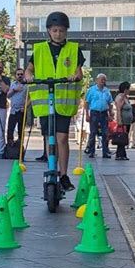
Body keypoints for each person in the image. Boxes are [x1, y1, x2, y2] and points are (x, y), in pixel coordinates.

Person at [25, 11, 84, 191]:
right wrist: (28, 76)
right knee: (49, 138)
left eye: (61, 30)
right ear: (49, 31)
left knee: (62, 137)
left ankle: (64, 174)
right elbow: (29, 69)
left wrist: (75, 75)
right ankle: (52, 169)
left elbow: (79, 71)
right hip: (46, 102)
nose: (58, 34)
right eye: (55, 30)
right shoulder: (40, 49)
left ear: (66, 31)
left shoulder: (73, 49)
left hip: (63, 103)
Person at [85, 73, 113, 158]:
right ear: (97, 80)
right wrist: (87, 114)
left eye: (104, 80)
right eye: (101, 79)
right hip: (94, 113)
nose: (103, 81)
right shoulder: (91, 90)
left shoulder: (107, 91)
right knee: (93, 133)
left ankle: (105, 152)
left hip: (104, 113)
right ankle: (91, 151)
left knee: (105, 133)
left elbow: (109, 103)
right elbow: (87, 103)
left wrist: (110, 114)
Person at [7, 68, 27, 143]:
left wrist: (25, 106)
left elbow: (30, 98)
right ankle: (10, 145)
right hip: (13, 110)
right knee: (10, 129)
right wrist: (14, 90)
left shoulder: (26, 85)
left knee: (21, 130)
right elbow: (8, 95)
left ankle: (19, 146)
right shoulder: (13, 84)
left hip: (22, 111)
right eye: (18, 74)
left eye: (21, 74)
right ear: (15, 76)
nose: (20, 76)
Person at [114, 81, 132, 160]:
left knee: (124, 137)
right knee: (121, 137)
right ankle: (119, 154)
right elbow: (118, 109)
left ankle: (122, 154)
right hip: (123, 121)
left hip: (127, 121)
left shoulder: (125, 97)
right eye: (128, 89)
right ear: (125, 89)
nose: (129, 91)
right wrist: (119, 121)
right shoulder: (120, 98)